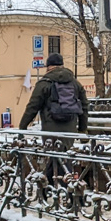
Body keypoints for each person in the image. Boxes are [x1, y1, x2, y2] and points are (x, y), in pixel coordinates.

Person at [19, 53, 88, 181]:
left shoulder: (44, 83)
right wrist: (82, 130)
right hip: (69, 129)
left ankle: (56, 190)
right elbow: (84, 106)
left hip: (50, 129)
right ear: (62, 65)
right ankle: (60, 189)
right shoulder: (75, 83)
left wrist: (22, 127)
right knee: (63, 158)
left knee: (54, 158)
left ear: (48, 66)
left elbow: (32, 107)